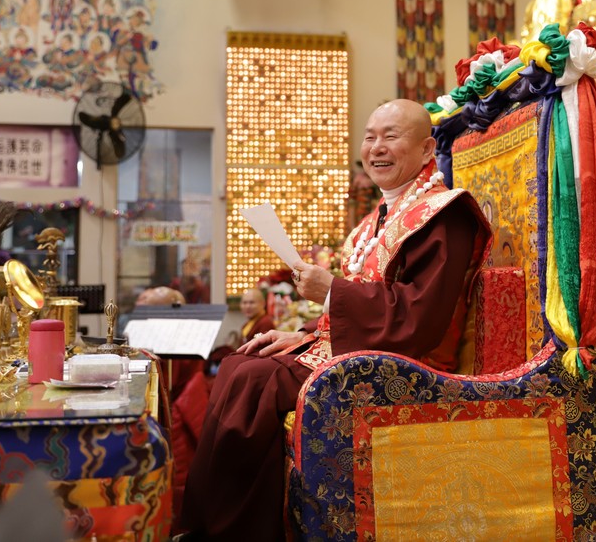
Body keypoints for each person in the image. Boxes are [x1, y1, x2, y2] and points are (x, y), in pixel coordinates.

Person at [180, 99, 492, 541]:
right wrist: (300, 334)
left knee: (253, 381)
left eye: (391, 136)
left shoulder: (444, 215)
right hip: (361, 345)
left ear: (427, 150)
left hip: (407, 363)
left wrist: (330, 290)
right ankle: (204, 525)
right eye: (369, 137)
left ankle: (234, 532)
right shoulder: (376, 220)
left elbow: (420, 318)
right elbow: (363, 299)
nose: (376, 147)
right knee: (238, 361)